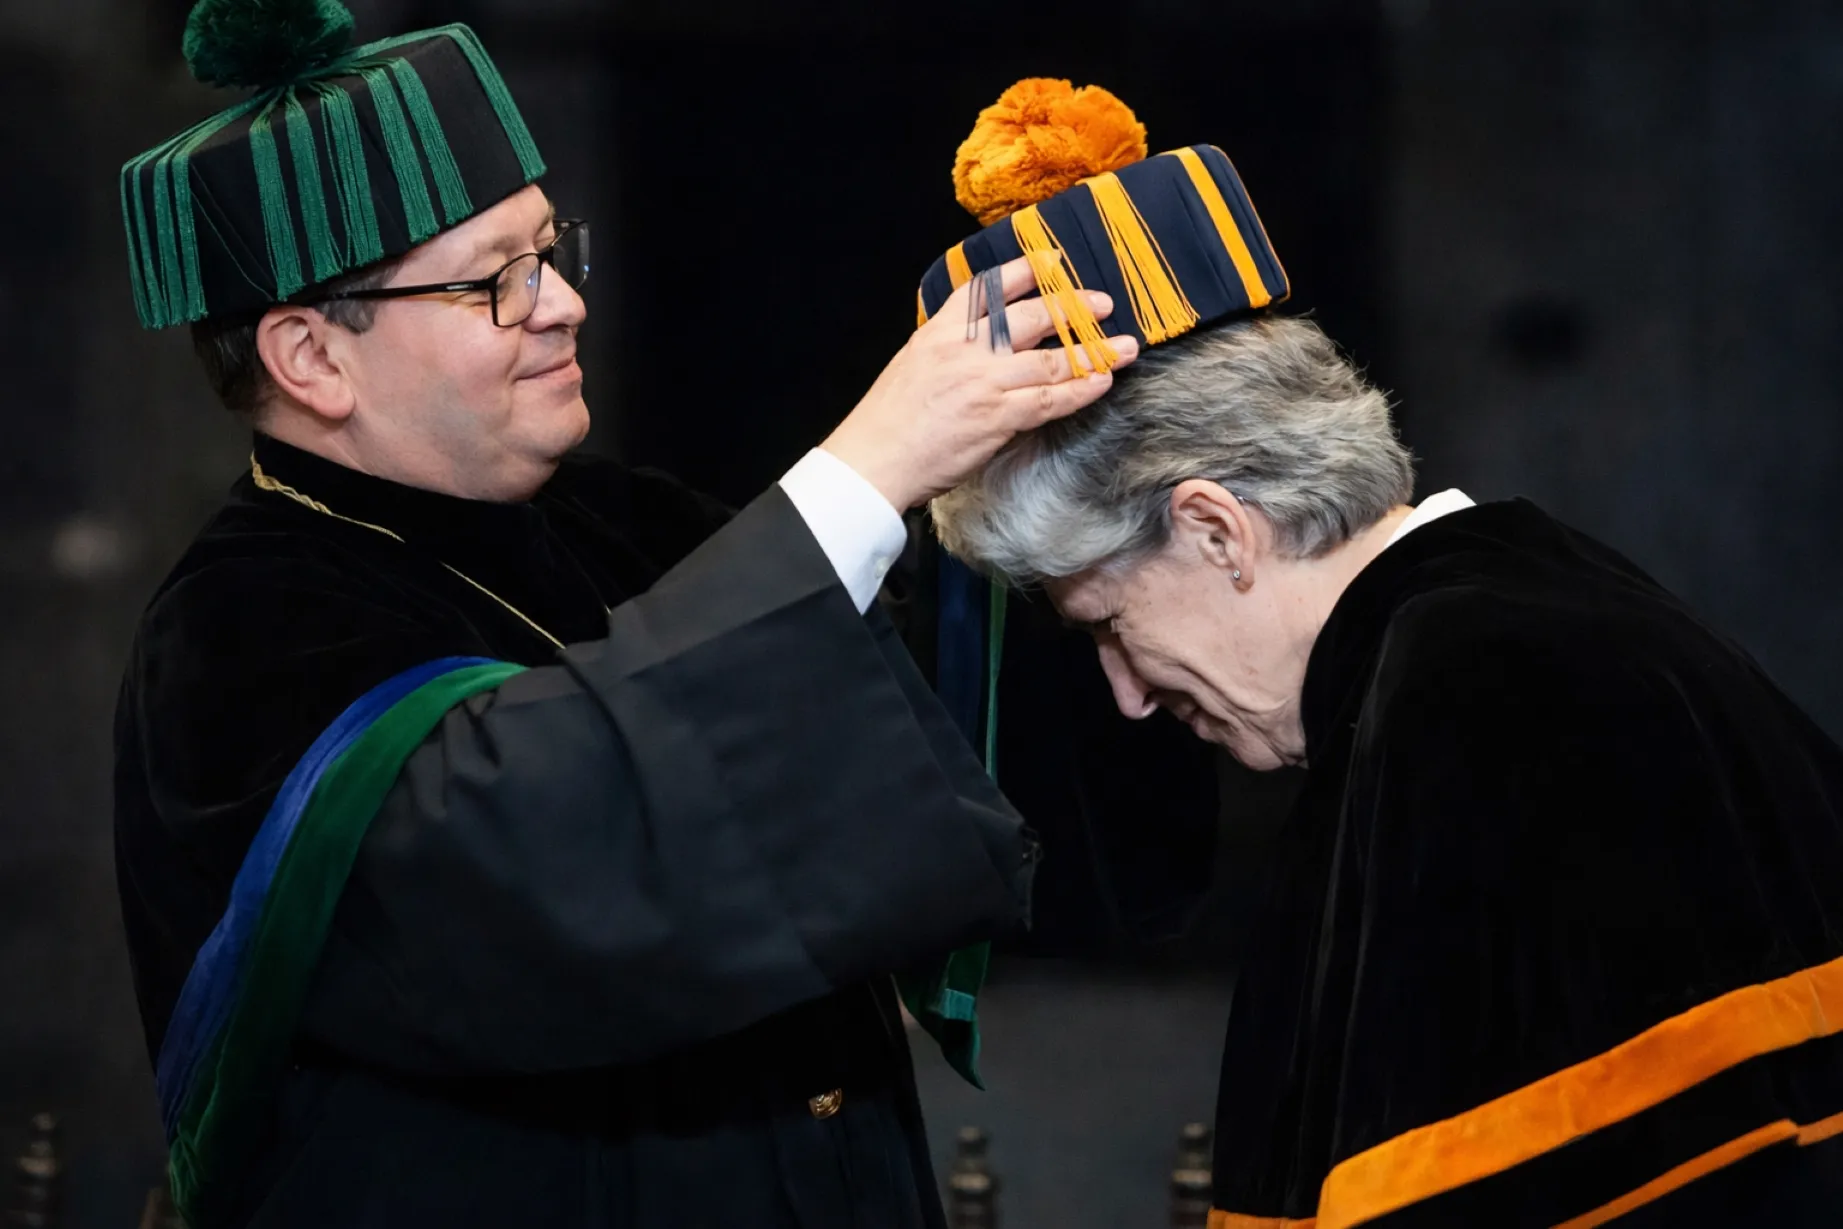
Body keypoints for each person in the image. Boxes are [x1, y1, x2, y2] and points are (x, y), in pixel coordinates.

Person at [113, 7, 1137, 1228]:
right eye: (496, 278)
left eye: (551, 251)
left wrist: (1062, 460)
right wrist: (861, 472)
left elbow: (942, 750)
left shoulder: (620, 524)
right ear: (311, 359)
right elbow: (535, 863)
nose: (560, 305)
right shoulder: (237, 635)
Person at [927, 84, 1843, 1227]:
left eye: (1110, 623)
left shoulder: (1484, 684)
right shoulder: (1492, 619)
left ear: (1218, 528)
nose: (1127, 692)